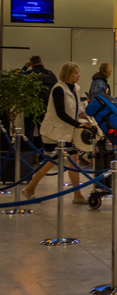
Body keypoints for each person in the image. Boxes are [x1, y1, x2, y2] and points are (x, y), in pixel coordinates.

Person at [22, 62, 92, 204]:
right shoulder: (58, 89)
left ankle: (77, 195)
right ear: (68, 74)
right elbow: (61, 113)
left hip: (66, 132)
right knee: (52, 161)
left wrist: (85, 117)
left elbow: (76, 108)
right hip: (54, 132)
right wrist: (79, 124)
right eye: (75, 73)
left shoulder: (75, 89)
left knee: (73, 160)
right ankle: (29, 189)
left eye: (78, 72)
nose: (78, 75)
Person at [20, 55, 58, 151]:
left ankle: (30, 156)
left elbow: (17, 78)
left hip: (31, 105)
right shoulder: (51, 74)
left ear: (31, 64)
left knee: (29, 131)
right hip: (45, 105)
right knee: (43, 131)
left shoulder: (30, 73)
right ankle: (42, 156)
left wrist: (25, 67)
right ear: (42, 62)